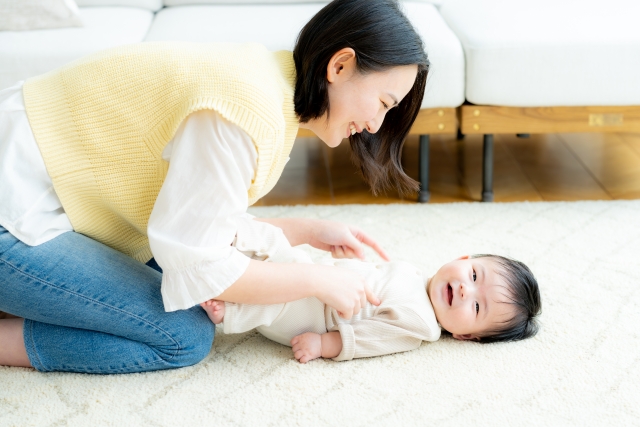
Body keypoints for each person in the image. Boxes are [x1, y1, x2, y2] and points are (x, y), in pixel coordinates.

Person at [0, 0, 430, 373]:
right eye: (383, 103)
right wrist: (317, 279)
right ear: (340, 65)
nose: (376, 125)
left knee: (174, 288)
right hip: (16, 212)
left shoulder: (264, 82)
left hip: (38, 184)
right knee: (183, 335)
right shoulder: (245, 114)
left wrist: (306, 230)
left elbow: (199, 222)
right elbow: (199, 264)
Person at [201, 217, 542, 363]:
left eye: (478, 308)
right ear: (462, 258)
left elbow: (370, 339)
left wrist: (324, 345)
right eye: (474, 275)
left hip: (314, 317)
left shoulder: (421, 324)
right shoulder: (416, 276)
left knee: (284, 301)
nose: (467, 290)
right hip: (316, 282)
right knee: (282, 249)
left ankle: (232, 311)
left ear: (466, 336)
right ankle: (235, 236)